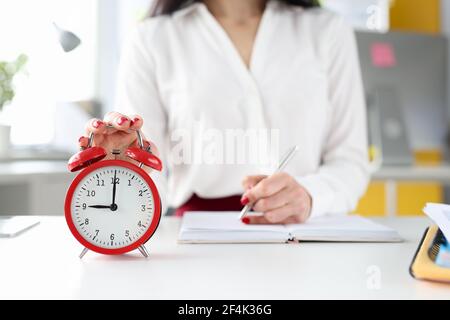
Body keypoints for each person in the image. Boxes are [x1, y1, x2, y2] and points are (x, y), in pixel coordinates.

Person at [79, 0, 370, 224]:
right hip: (197, 244)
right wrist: (117, 171)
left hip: (309, 236)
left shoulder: (327, 30)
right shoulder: (152, 39)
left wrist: (309, 195)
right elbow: (144, 169)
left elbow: (351, 163)